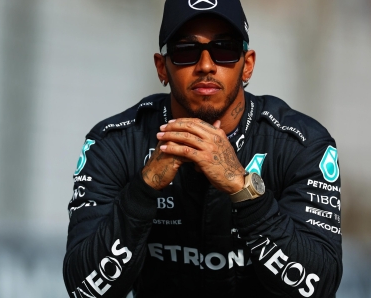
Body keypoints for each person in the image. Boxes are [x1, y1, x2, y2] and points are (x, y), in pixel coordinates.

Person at [63, 0, 342, 297]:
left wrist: (243, 188)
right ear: (162, 68)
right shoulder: (115, 143)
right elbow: (85, 290)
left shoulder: (301, 144)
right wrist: (143, 191)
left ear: (246, 65)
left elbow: (318, 286)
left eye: (224, 49)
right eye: (186, 50)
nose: (206, 65)